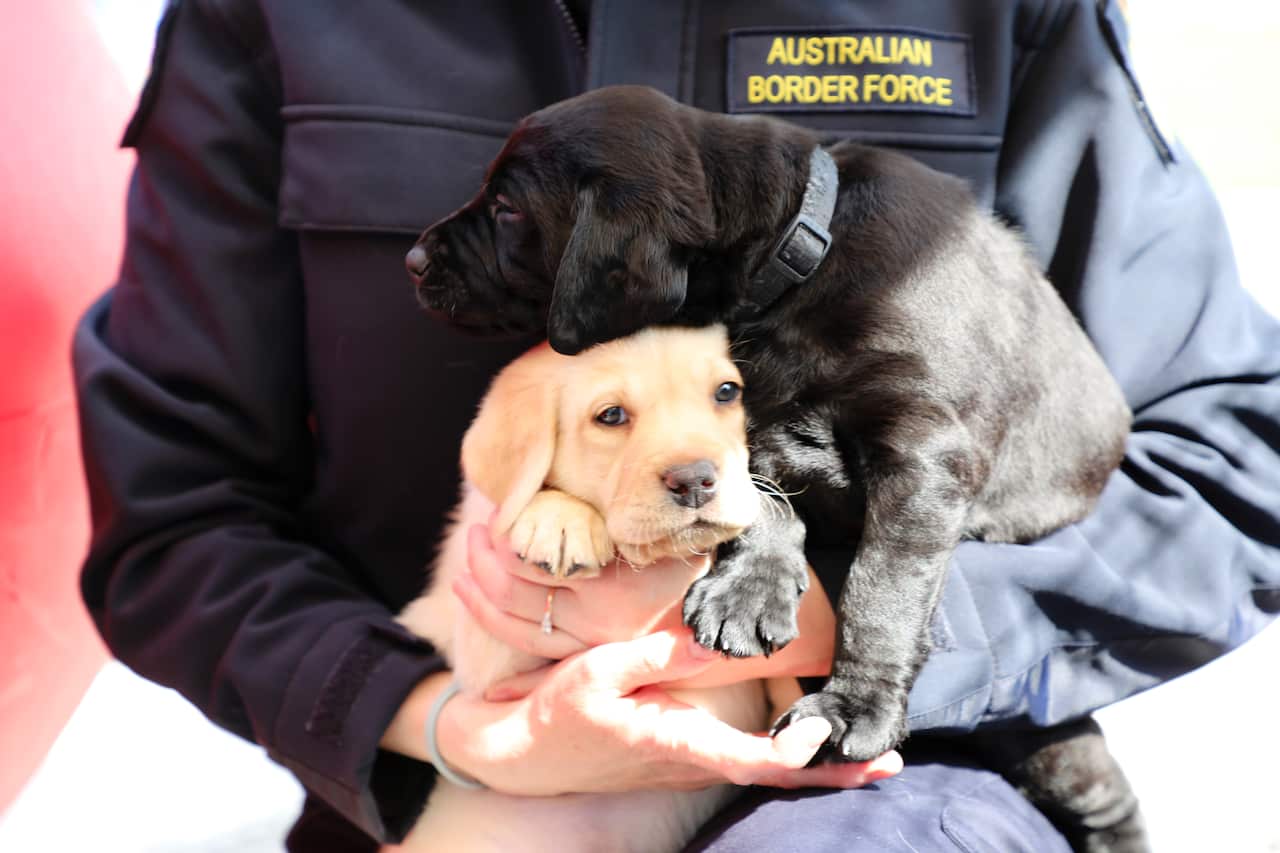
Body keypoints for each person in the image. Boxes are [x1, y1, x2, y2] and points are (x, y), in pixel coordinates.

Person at [73, 1, 1280, 851]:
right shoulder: (267, 16)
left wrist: (847, 633)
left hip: (891, 791)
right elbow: (173, 514)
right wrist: (446, 722)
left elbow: (1233, 460)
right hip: (448, 785)